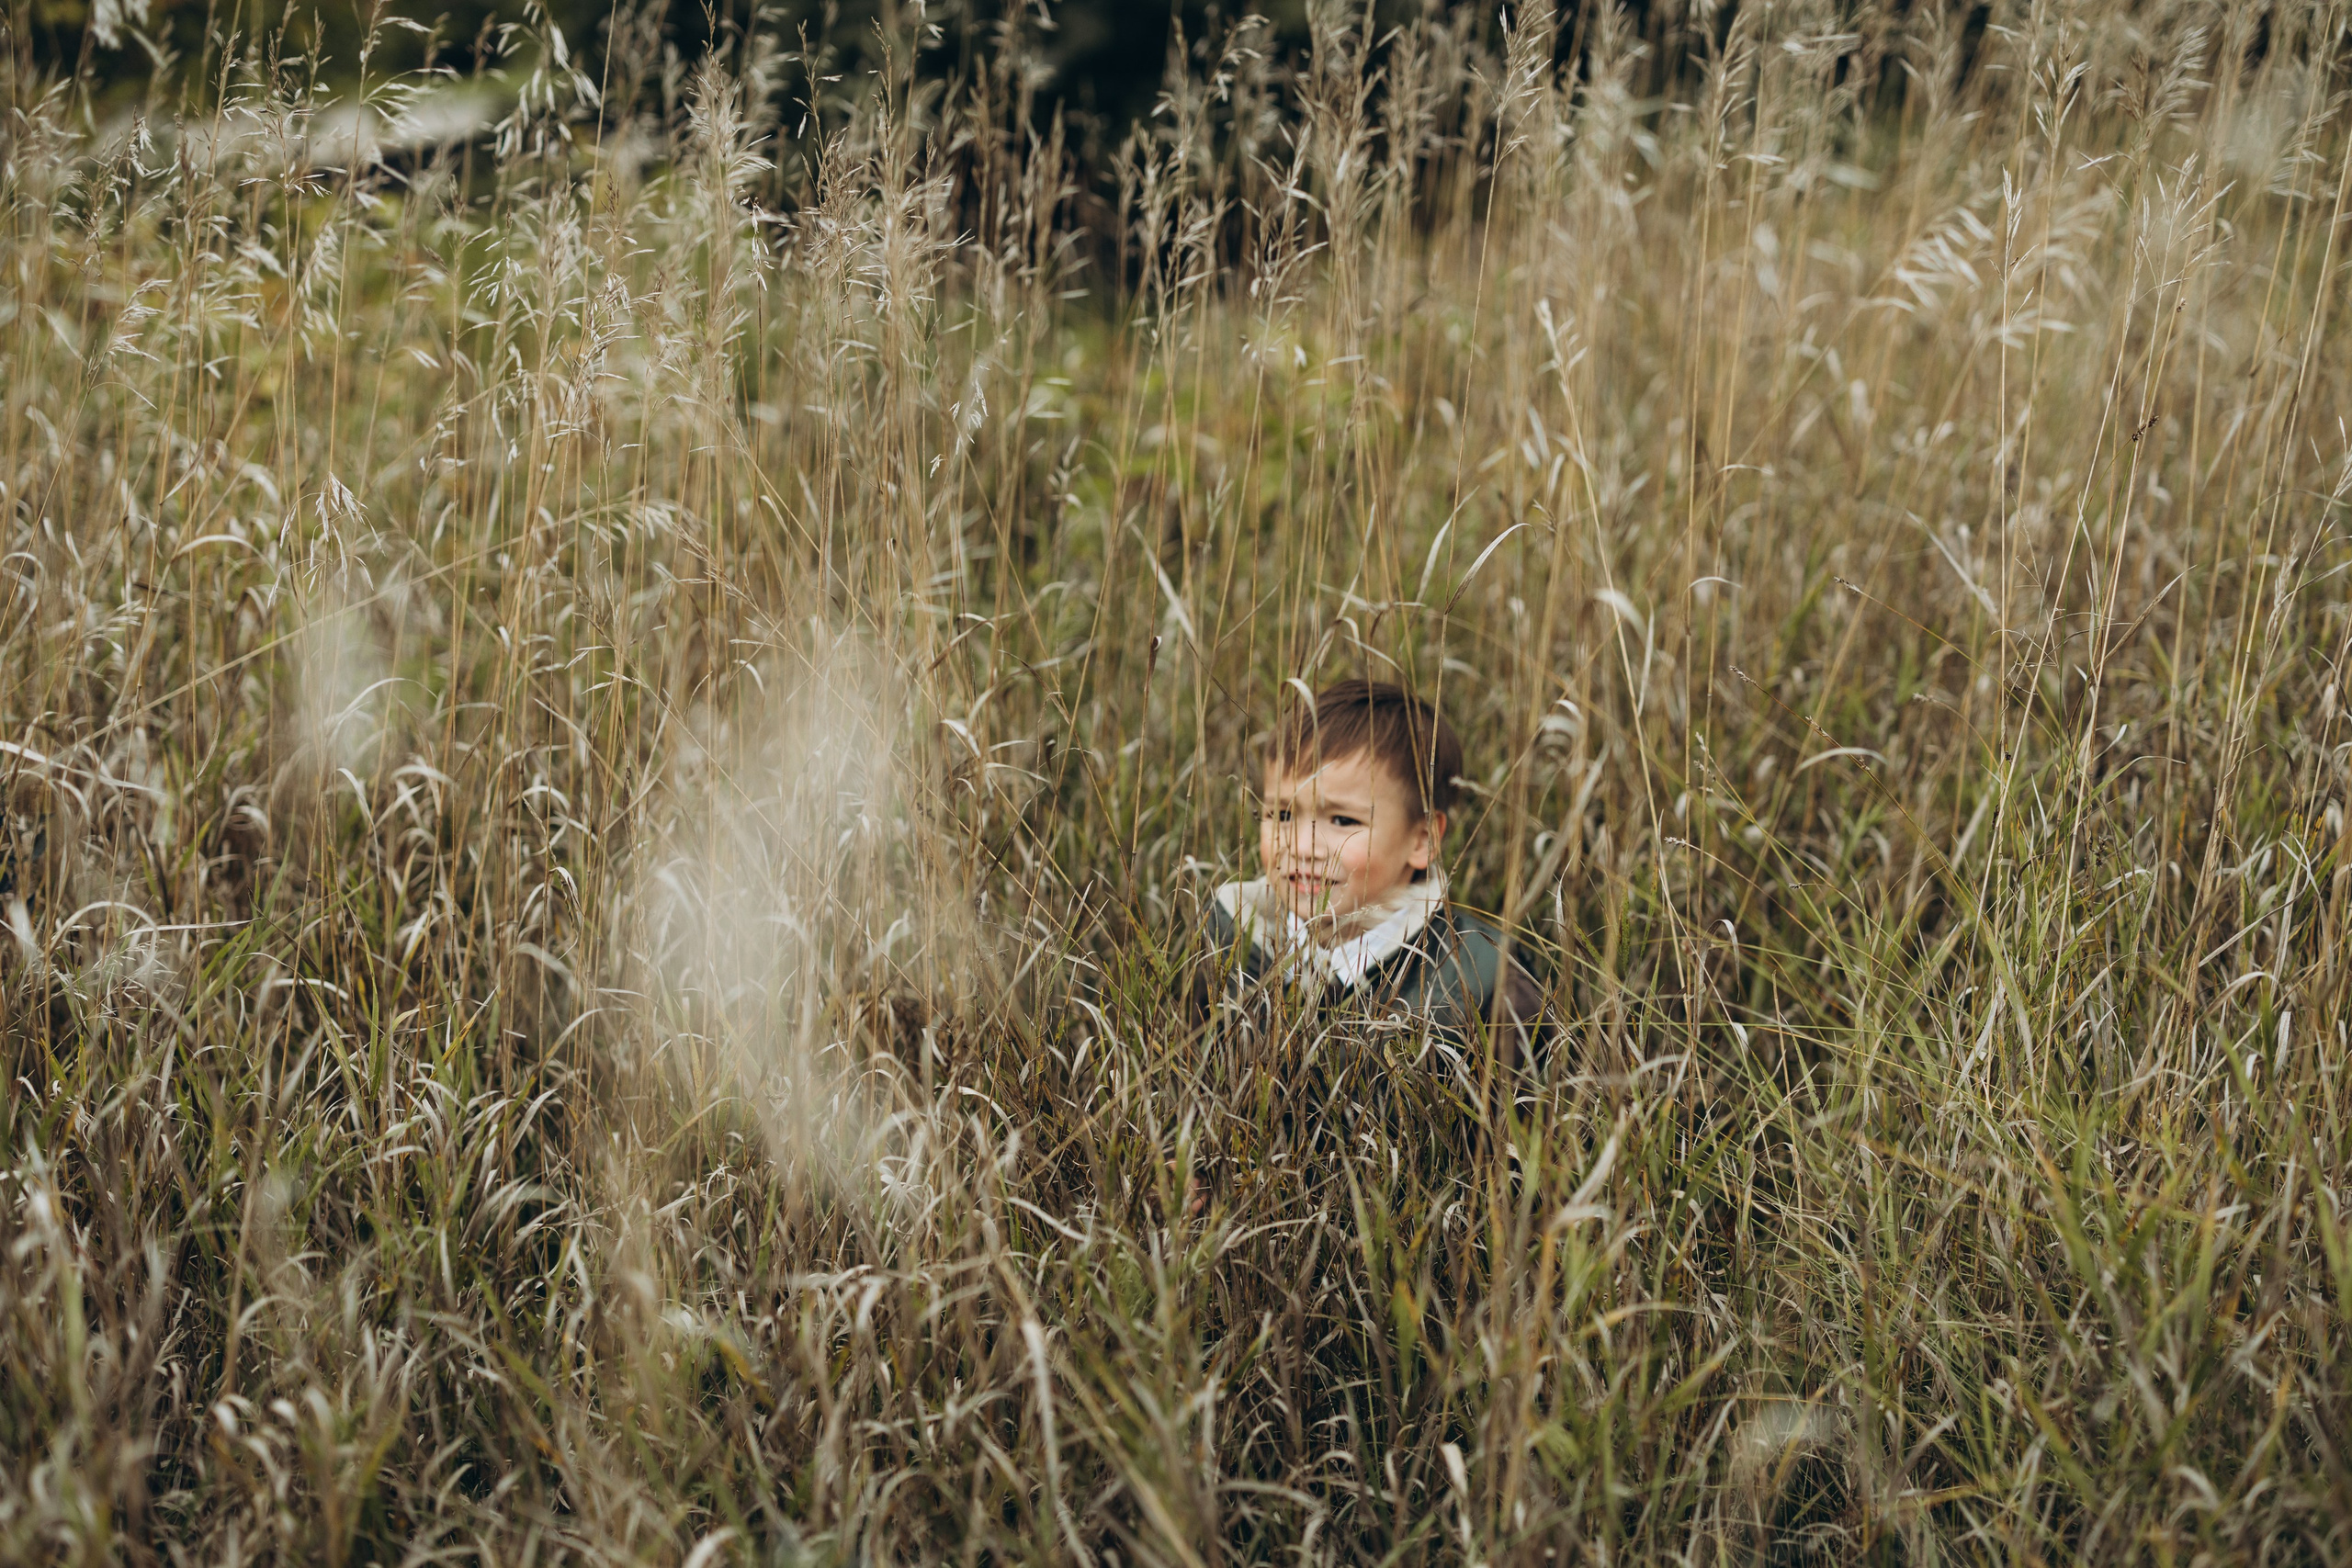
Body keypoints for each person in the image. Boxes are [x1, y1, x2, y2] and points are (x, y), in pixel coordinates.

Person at [1207, 679, 1544, 1055]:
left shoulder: (1485, 981)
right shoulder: (1224, 938)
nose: (1302, 847)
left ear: (1422, 840)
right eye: (1282, 814)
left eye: (1344, 822)